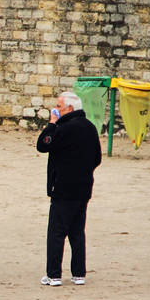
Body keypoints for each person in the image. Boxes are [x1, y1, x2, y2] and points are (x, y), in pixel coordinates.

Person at [37, 91, 101, 286]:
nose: (56, 109)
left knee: (56, 231)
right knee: (77, 231)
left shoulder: (63, 129)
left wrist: (51, 123)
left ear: (70, 109)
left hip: (64, 188)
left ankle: (54, 274)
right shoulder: (90, 127)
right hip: (84, 188)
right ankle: (79, 273)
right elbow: (97, 158)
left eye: (59, 106)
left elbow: (42, 145)